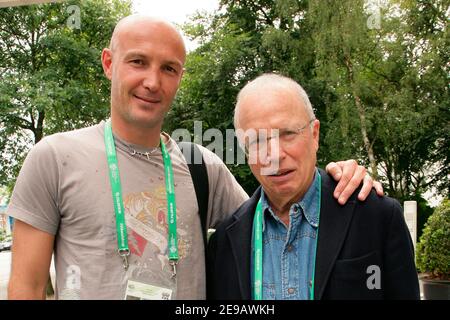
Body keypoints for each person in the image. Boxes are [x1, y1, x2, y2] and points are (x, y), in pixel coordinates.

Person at [7, 16, 380, 300]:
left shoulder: (202, 167)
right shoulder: (55, 158)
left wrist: (337, 178)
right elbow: (27, 286)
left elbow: (280, 214)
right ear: (109, 63)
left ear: (180, 77)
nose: (153, 82)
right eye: (138, 62)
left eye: (168, 68)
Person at [207, 73, 420, 300]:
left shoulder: (376, 216)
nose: (275, 155)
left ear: (314, 134)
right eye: (258, 140)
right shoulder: (224, 244)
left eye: (288, 134)